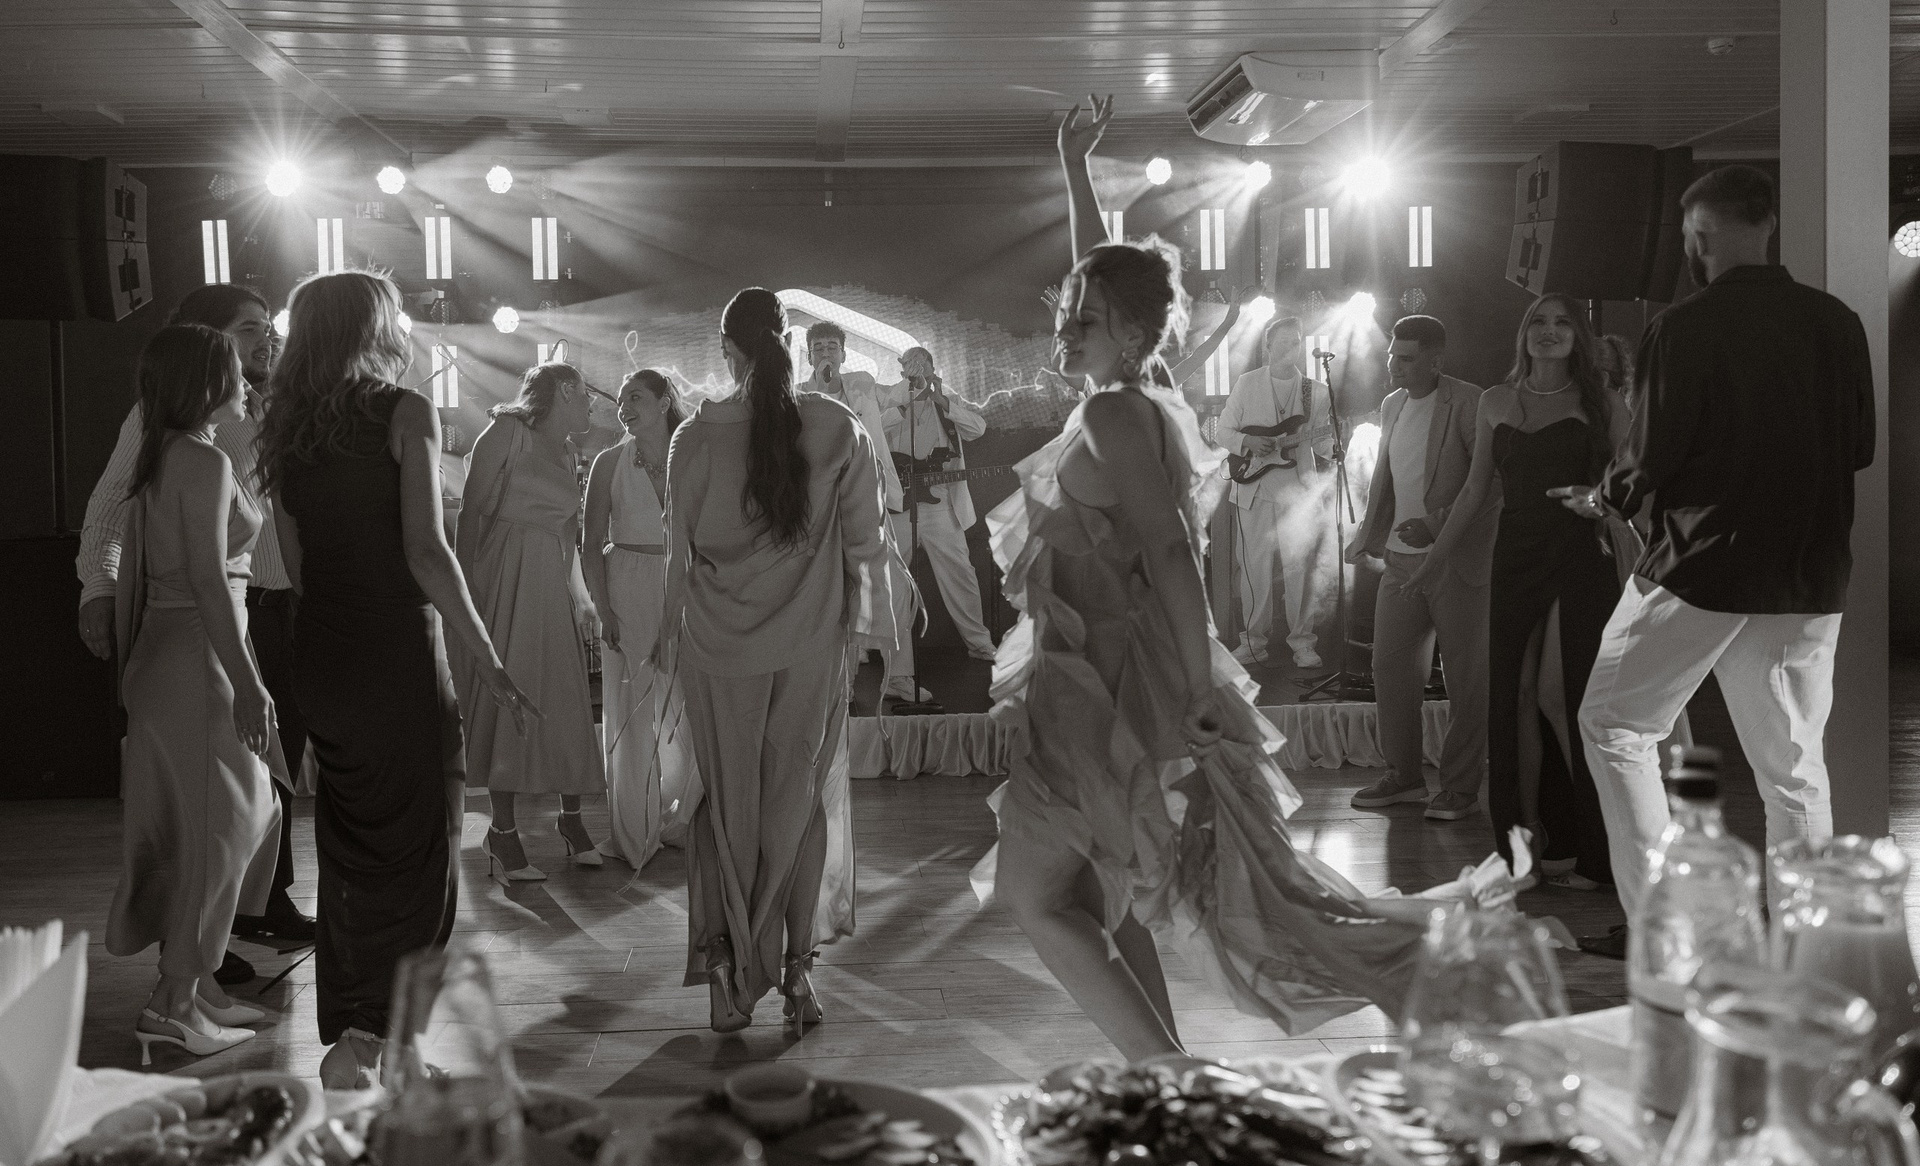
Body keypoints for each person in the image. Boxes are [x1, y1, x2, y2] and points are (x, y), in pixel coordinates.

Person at [969, 97, 1478, 1062]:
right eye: (1065, 315)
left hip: (1098, 692)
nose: (1064, 331)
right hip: (1104, 680)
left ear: (1131, 335)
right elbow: (1104, 277)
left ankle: (1166, 1071)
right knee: (1102, 899)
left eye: (1084, 322)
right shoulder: (1141, 395)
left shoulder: (1116, 415)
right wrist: (1076, 171)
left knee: (1036, 897)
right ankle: (1169, 1079)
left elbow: (1172, 552)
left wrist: (1203, 686)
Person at [1562, 165, 1875, 957]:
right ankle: (1806, 948)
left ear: (1699, 236)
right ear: (1768, 224)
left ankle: (1669, 931)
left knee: (1615, 725)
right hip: (1807, 572)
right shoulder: (1836, 322)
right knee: (1794, 773)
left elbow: (1650, 454)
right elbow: (1860, 447)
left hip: (1703, 566)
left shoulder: (1686, 325)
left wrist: (1606, 498)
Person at [259, 270, 532, 1089]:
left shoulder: (286, 426)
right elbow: (426, 551)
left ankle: (356, 1037)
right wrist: (488, 657)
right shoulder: (404, 412)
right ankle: (394, 1046)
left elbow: (298, 568)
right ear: (372, 328)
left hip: (324, 651)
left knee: (349, 849)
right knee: (425, 849)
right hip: (394, 651)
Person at [664, 287, 895, 1033]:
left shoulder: (693, 439)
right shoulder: (836, 427)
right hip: (810, 644)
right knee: (798, 804)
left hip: (717, 649)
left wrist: (666, 649)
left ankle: (724, 971)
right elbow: (868, 544)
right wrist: (870, 637)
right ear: (789, 345)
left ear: (728, 351)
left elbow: (678, 562)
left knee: (724, 808)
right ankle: (797, 976)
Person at [77, 286, 313, 990]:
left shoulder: (264, 408)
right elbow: (113, 508)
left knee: (263, 783)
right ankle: (194, 956)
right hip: (209, 626)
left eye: (268, 328)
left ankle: (250, 915)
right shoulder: (171, 426)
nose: (266, 342)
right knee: (215, 798)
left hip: (267, 610)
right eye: (248, 331)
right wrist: (99, 587)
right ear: (206, 347)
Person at [1410, 293, 1631, 890]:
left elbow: (1635, 481)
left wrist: (1600, 502)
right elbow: (1474, 490)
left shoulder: (1604, 403)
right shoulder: (1495, 401)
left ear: (1578, 337)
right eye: (1538, 321)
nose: (1548, 331)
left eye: (1561, 323)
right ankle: (1524, 841)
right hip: (1515, 555)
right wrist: (1436, 557)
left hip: (1579, 556)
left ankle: (1600, 844)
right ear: (1524, 333)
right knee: (1518, 698)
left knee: (1561, 696)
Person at [107, 324, 283, 1066]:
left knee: (227, 819)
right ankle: (170, 1004)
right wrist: (249, 683)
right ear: (206, 380)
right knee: (223, 827)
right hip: (197, 658)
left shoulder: (168, 453)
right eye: (235, 368)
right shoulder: (201, 459)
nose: (247, 379)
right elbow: (208, 581)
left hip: (172, 656)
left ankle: (199, 984)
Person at [456, 362, 606, 878]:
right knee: (510, 697)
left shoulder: (567, 451)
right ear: (563, 391)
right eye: (585, 394)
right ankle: (502, 833)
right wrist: (467, 590)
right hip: (503, 575)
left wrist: (581, 599)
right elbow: (469, 512)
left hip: (548, 583)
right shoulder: (507, 432)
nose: (592, 404)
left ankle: (572, 820)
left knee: (565, 699)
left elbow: (567, 535)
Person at [1345, 315, 1492, 824]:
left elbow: (1490, 485)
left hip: (1456, 561)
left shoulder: (1470, 401)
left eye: (1406, 358)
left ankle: (1460, 788)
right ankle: (1404, 777)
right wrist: (1369, 533)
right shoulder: (1393, 403)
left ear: (1436, 360)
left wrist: (1434, 524)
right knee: (1389, 670)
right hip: (1399, 561)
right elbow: (1389, 478)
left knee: (1466, 682)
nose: (1394, 365)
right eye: (1392, 355)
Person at [582, 369, 703, 871]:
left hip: (688, 587)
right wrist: (603, 607)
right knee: (632, 708)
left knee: (691, 705)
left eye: (635, 397)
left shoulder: (694, 455)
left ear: (664, 400)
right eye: (620, 400)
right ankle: (634, 830)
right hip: (626, 586)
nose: (623, 408)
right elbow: (590, 543)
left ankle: (682, 818)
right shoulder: (608, 463)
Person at [803, 322, 924, 705]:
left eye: (832, 346)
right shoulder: (800, 397)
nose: (826, 353)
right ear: (809, 356)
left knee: (894, 588)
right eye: (818, 347)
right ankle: (845, 684)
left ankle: (899, 678)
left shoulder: (863, 384)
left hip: (871, 500)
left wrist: (917, 375)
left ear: (843, 354)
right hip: (826, 509)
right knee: (838, 595)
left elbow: (900, 394)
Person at [1216, 316, 1336, 668]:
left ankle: (1302, 642)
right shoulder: (1247, 383)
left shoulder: (1316, 391)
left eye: (1295, 342)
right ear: (1268, 347)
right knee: (1254, 570)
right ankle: (1253, 643)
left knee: (1299, 569)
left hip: (1297, 493)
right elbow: (1223, 431)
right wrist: (1248, 442)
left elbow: (1321, 441)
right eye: (1282, 342)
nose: (1289, 348)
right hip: (1253, 487)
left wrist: (1338, 447)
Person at [882, 346, 996, 660]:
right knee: (888, 576)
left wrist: (940, 399)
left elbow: (977, 429)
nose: (918, 369)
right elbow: (873, 429)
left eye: (924, 363)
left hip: (941, 503)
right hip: (900, 505)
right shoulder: (891, 396)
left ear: (933, 368)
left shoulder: (947, 399)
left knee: (961, 574)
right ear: (902, 369)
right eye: (911, 363)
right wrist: (908, 395)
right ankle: (872, 646)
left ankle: (979, 643)